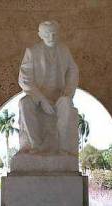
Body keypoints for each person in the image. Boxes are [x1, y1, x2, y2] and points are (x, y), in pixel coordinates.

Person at [18, 21, 79, 154]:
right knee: (24, 103)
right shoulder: (32, 52)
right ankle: (36, 145)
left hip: (59, 96)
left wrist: (67, 93)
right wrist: (41, 100)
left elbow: (73, 71)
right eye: (47, 34)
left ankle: (63, 148)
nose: (51, 37)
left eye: (54, 33)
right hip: (37, 97)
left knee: (66, 103)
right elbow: (25, 79)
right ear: (40, 35)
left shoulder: (64, 50)